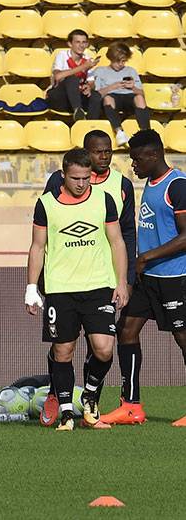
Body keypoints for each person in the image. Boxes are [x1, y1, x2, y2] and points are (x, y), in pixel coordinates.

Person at [37, 130, 136, 426]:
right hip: (62, 282)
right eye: (97, 151)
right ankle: (59, 396)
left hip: (99, 280)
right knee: (62, 348)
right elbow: (45, 235)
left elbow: (125, 235)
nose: (102, 156)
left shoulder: (120, 187)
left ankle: (89, 396)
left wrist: (125, 278)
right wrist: (38, 281)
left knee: (104, 348)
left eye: (107, 152)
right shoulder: (57, 185)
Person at [100, 130, 186, 427]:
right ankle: (131, 405)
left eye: (136, 159)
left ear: (154, 155)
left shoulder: (177, 186)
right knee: (126, 330)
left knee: (183, 338)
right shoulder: (150, 183)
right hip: (147, 279)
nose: (133, 165)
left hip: (175, 277)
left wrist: (146, 256)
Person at [88, 42, 151, 147]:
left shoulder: (131, 71)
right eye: (118, 61)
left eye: (123, 61)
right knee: (108, 98)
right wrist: (112, 87)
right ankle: (119, 131)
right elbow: (97, 94)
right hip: (112, 97)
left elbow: (141, 93)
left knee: (139, 98)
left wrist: (133, 87)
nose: (121, 64)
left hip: (129, 96)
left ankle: (146, 132)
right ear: (111, 59)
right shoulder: (100, 71)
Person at [46, 29, 102, 121]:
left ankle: (90, 125)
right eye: (77, 42)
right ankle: (78, 110)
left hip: (78, 96)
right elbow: (58, 77)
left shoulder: (87, 58)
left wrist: (89, 87)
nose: (81, 45)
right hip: (60, 97)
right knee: (72, 79)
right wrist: (83, 67)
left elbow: (91, 82)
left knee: (96, 95)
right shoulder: (62, 55)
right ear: (70, 44)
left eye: (84, 42)